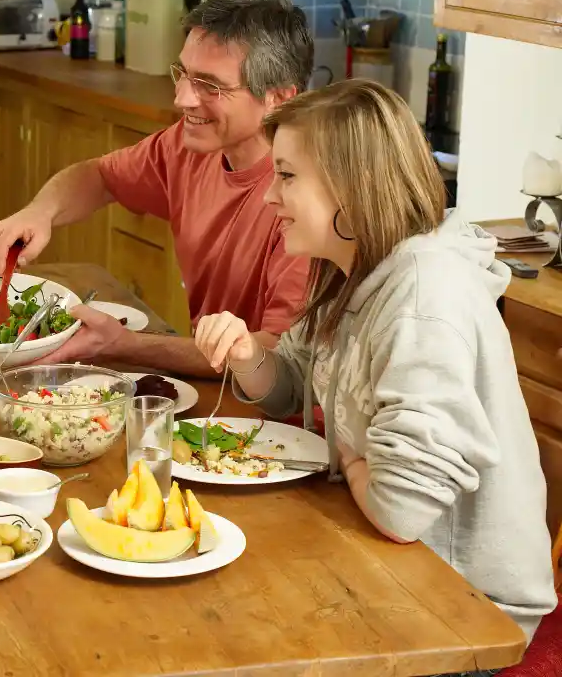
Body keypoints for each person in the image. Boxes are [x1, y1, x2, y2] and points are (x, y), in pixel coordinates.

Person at [193, 80, 557, 660]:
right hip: (391, 563)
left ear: (353, 187)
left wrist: (352, 459)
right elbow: (291, 390)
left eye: (287, 176)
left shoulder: (423, 298)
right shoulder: (349, 267)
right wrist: (248, 356)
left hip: (463, 609)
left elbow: (400, 510)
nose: (269, 197)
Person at [0, 0, 313, 377]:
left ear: (279, 98)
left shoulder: (309, 200)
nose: (182, 98)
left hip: (270, 405)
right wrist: (40, 212)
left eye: (209, 86)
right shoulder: (190, 146)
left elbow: (276, 357)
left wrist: (126, 345)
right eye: (184, 74)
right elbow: (100, 176)